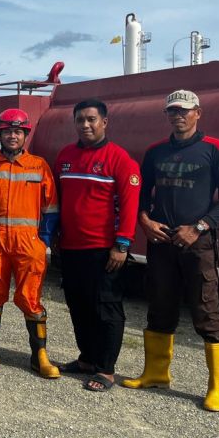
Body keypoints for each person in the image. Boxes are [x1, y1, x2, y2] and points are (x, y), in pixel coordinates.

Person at [122, 90, 219, 412]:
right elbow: (141, 194)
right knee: (159, 306)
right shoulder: (155, 151)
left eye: (184, 110)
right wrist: (145, 221)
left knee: (206, 310)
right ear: (167, 115)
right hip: (161, 241)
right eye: (172, 111)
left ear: (198, 112)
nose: (179, 116)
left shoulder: (216, 149)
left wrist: (199, 227)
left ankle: (216, 388)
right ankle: (156, 374)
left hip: (198, 242)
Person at [0, 108, 60, 378]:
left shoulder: (39, 166)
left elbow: (51, 208)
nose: (12, 136)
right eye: (7, 132)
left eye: (18, 132)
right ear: (0, 134)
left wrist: (43, 241)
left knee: (31, 297)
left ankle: (39, 355)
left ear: (25, 135)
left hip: (28, 244)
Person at [54, 99, 141, 392]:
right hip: (71, 247)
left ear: (104, 122)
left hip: (104, 250)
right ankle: (87, 359)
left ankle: (105, 369)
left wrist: (122, 245)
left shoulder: (120, 159)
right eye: (80, 120)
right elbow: (58, 199)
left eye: (91, 119)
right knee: (78, 305)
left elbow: (130, 206)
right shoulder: (65, 156)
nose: (85, 125)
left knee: (106, 309)